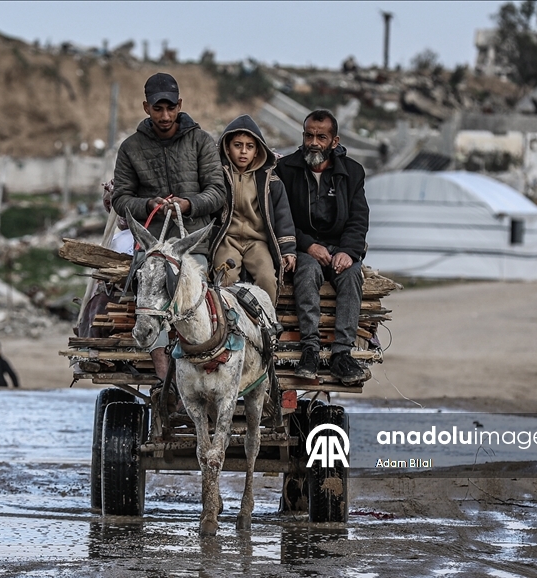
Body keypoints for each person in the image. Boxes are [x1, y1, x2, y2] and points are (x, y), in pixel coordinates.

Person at [111, 72, 226, 382]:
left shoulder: (201, 141)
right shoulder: (130, 147)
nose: (165, 116)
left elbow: (217, 191)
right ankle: (168, 384)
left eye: (170, 108)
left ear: (180, 106)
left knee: (192, 290)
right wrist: (147, 205)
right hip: (151, 245)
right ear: (146, 107)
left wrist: (189, 204)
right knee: (149, 298)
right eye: (158, 109)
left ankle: (204, 370)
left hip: (193, 244)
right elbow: (121, 198)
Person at [276, 109, 369, 385]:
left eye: (321, 137)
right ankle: (310, 350)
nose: (313, 142)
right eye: (308, 135)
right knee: (305, 272)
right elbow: (282, 218)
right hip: (305, 248)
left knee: (352, 275)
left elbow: (358, 219)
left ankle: (342, 355)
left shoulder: (352, 173)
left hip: (339, 247)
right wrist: (307, 245)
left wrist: (348, 252)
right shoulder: (286, 170)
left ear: (335, 141)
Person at [209, 114, 297, 304]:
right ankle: (228, 326)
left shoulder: (269, 180)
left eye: (249, 146)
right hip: (228, 240)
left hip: (258, 242)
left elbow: (283, 216)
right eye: (237, 145)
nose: (243, 152)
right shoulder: (218, 176)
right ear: (227, 147)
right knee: (224, 279)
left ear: (257, 151)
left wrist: (288, 249)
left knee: (268, 280)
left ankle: (268, 325)